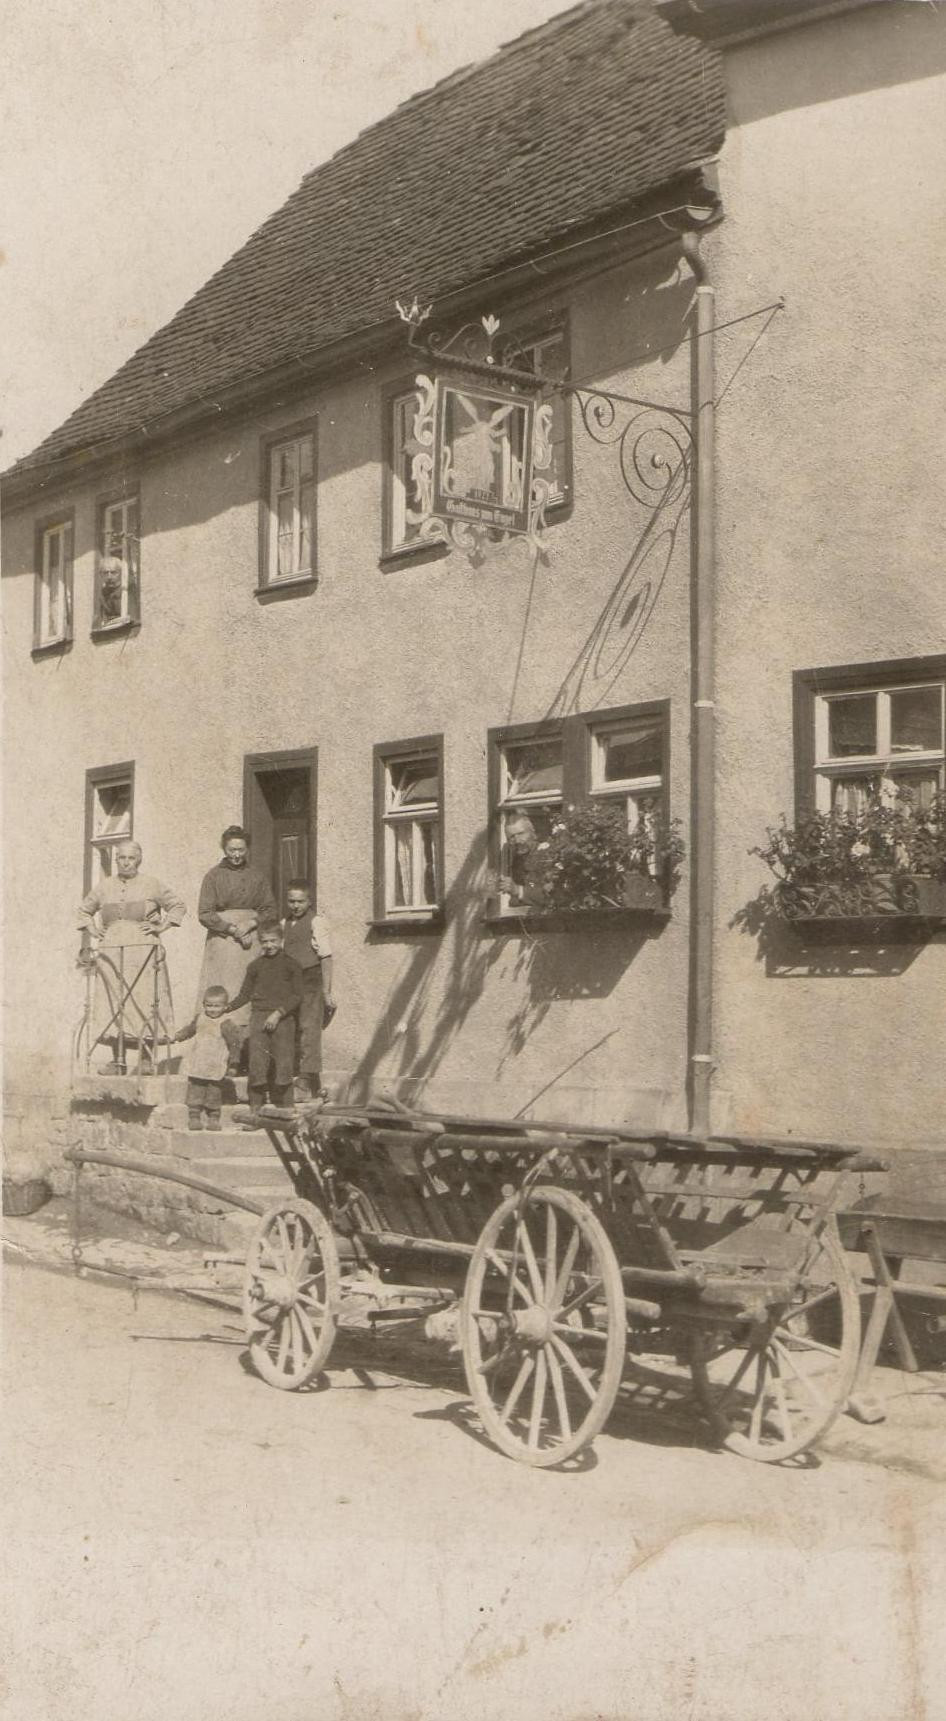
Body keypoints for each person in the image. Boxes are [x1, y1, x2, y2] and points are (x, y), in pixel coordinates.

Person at [77, 841, 186, 1070]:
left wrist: (161, 927)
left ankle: (146, 1061)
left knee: (144, 1002)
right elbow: (84, 910)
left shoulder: (152, 884)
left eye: (131, 858)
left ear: (139, 860)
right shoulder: (104, 886)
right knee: (115, 1003)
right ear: (117, 860)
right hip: (112, 952)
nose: (126, 863)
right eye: (122, 858)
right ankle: (118, 1061)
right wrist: (93, 930)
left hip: (143, 952)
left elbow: (177, 906)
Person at [196, 827, 276, 1061]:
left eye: (241, 849)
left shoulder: (257, 876)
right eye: (232, 850)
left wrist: (251, 923)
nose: (237, 855)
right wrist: (232, 929)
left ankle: (247, 1055)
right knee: (222, 994)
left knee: (248, 993)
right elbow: (205, 913)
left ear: (247, 849)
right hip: (223, 944)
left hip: (250, 945)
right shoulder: (213, 876)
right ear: (224, 849)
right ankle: (219, 1055)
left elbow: (270, 908)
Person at [225, 922, 303, 1116]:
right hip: (259, 1017)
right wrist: (228, 1007)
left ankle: (286, 1107)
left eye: (273, 941)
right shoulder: (255, 966)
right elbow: (245, 995)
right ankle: (256, 1108)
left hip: (284, 1019)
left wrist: (278, 1013)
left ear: (281, 940)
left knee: (284, 1061)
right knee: (257, 1062)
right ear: (260, 942)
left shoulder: (292, 965)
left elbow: (297, 996)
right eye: (265, 941)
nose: (269, 945)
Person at [281, 878, 336, 1101]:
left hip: (311, 980)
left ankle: (305, 1081)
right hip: (290, 983)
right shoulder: (284, 924)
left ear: (309, 901)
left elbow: (326, 958)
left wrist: (327, 992)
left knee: (309, 1029)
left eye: (300, 901)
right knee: (288, 1028)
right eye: (291, 901)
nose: (295, 906)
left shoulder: (317, 923)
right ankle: (292, 1080)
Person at [174, 986, 243, 1131]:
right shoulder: (200, 1018)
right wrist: (179, 1035)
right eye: (209, 1005)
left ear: (225, 1006)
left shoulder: (226, 1023)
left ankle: (213, 1118)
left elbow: (235, 1045)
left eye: (217, 1006)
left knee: (214, 1092)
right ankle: (194, 1117)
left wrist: (233, 1064)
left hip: (215, 1064)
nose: (212, 1009)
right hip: (198, 1062)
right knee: (195, 1090)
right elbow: (190, 1030)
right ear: (204, 1004)